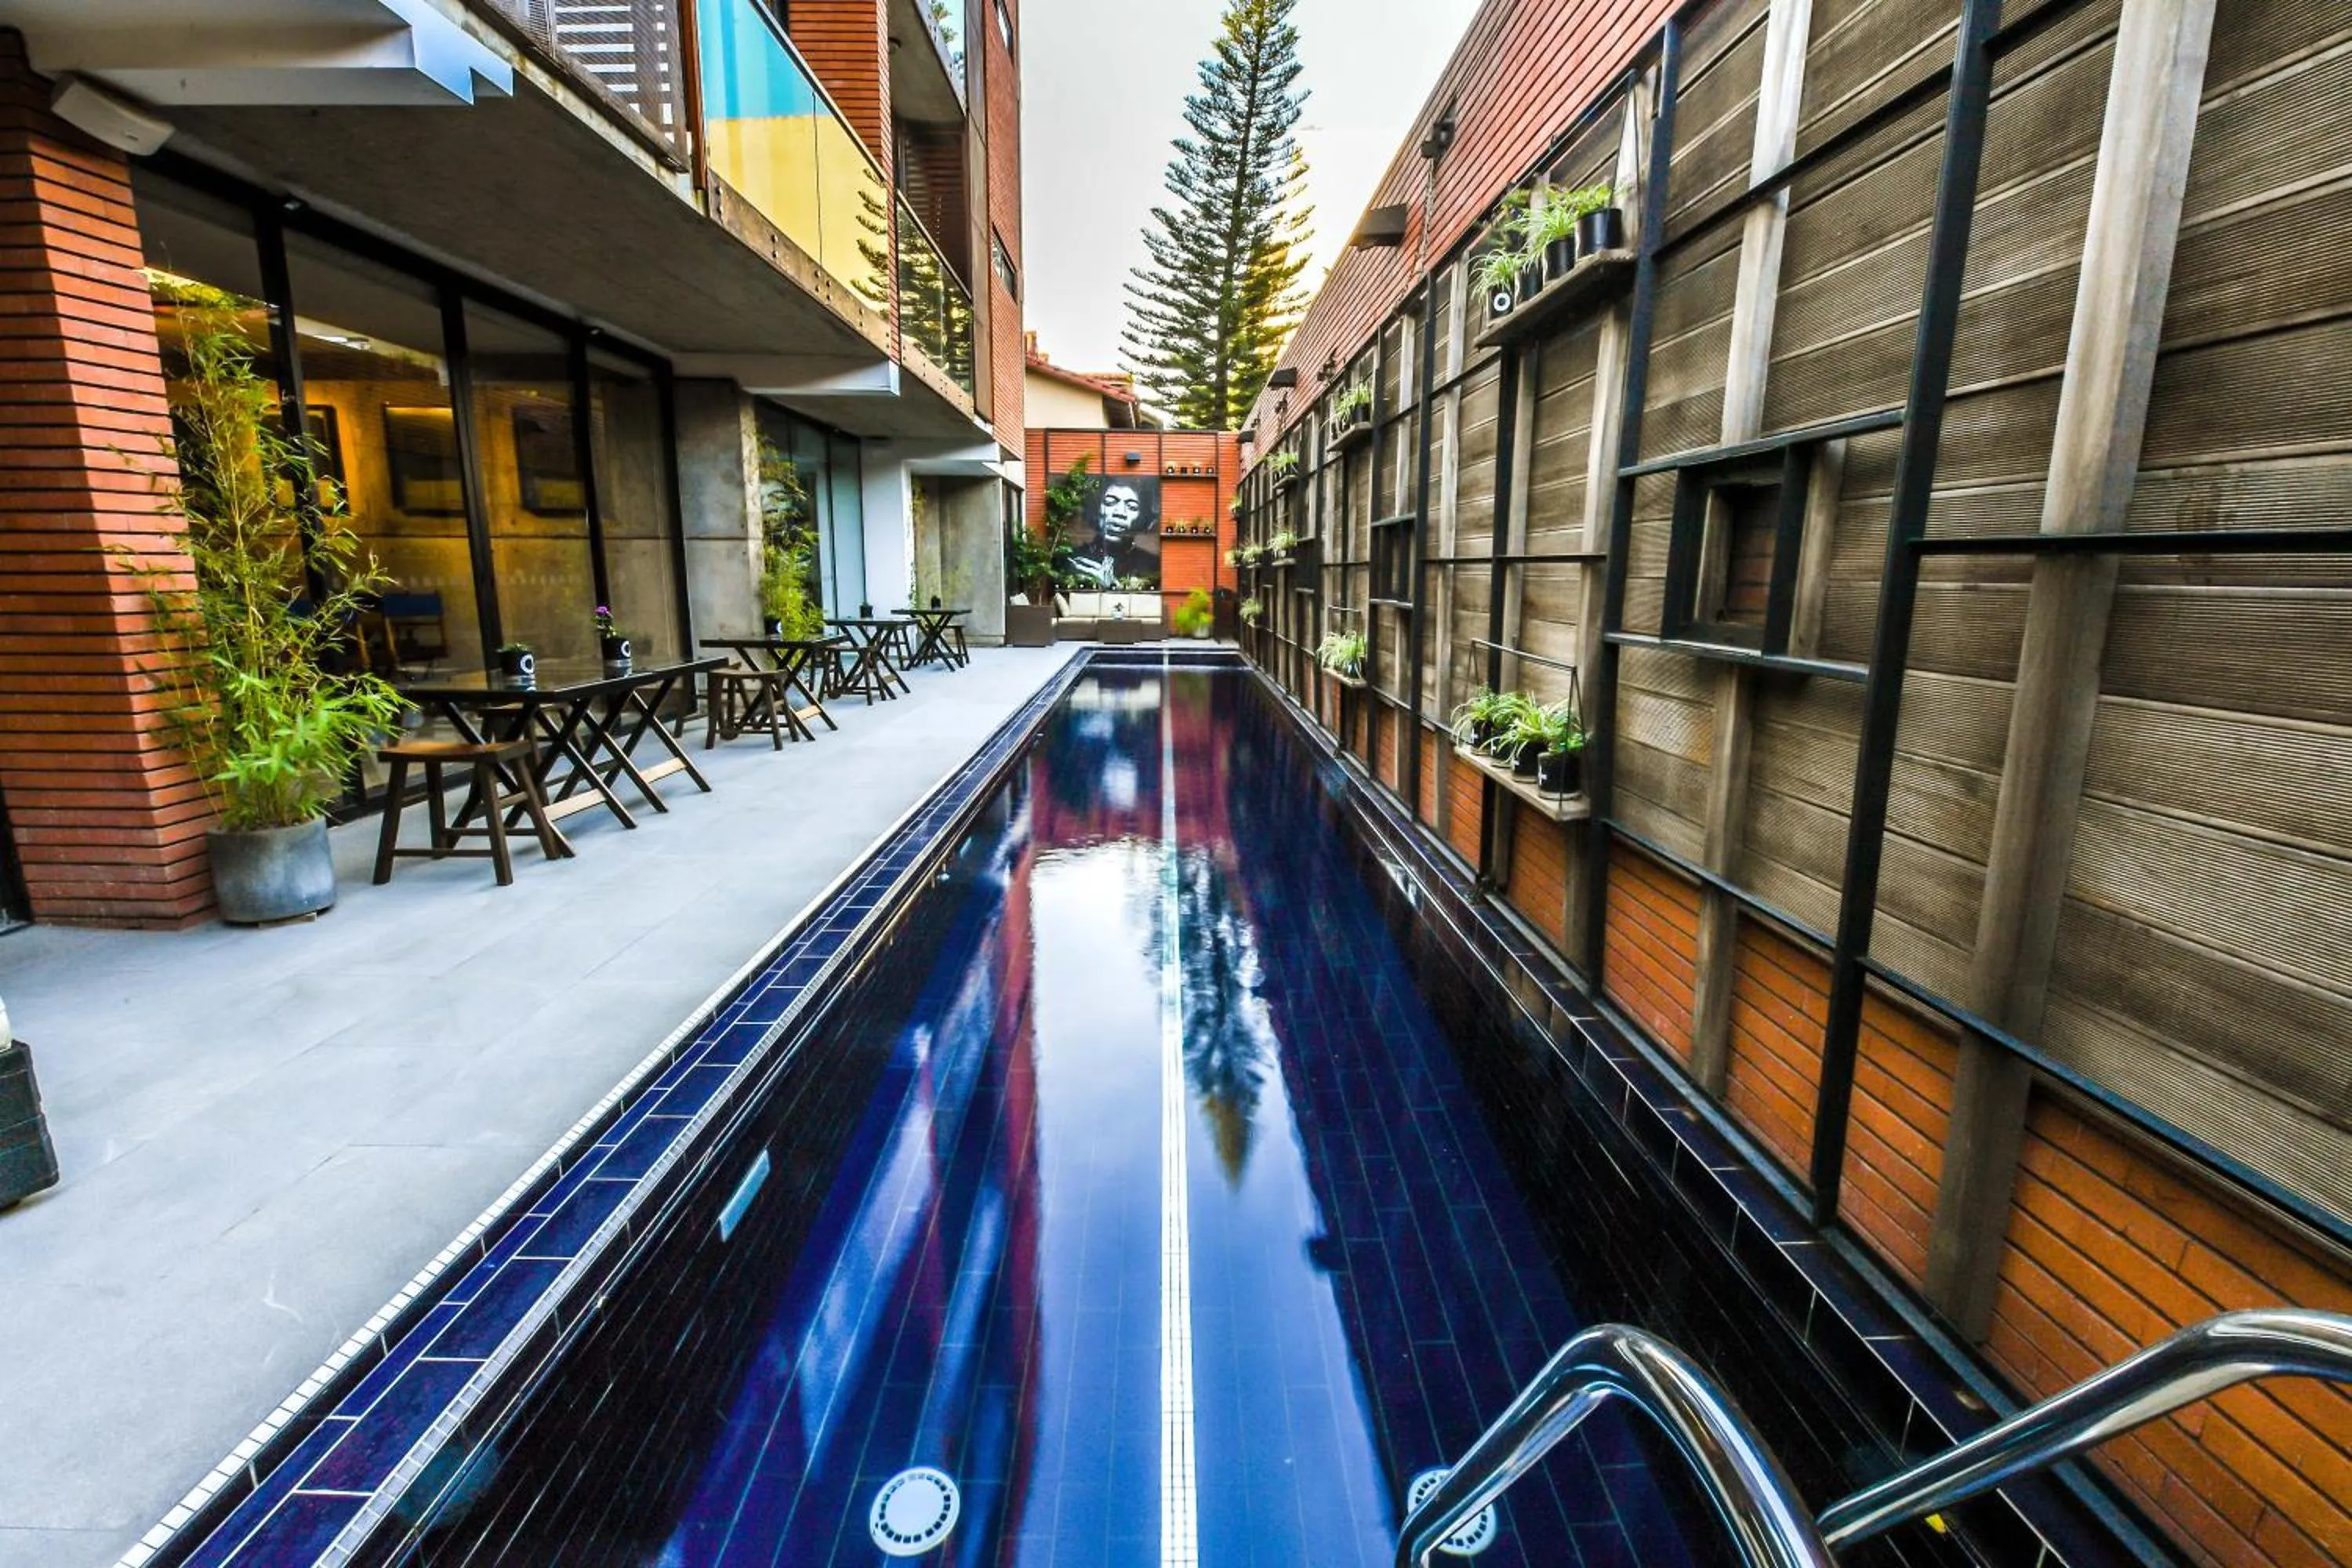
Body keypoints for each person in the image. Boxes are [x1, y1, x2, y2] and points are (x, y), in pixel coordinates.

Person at [1068, 479, 1156, 588]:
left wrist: (1112, 586)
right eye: (1110, 502)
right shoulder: (1073, 559)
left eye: (1132, 507)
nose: (1120, 513)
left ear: (1142, 517)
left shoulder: (1152, 565)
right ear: (1096, 509)